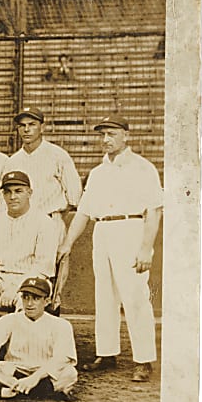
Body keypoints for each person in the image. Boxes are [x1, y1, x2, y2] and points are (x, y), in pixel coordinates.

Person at [57, 115, 163, 382]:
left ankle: (144, 360)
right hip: (102, 231)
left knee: (136, 297)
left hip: (131, 229)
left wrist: (146, 249)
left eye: (112, 133)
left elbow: (154, 210)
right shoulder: (97, 173)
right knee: (104, 295)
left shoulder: (143, 168)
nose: (106, 139)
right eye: (103, 134)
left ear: (126, 135)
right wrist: (68, 243)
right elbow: (83, 212)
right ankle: (106, 353)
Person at [0, 276, 78, 401]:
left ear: (46, 301)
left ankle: (6, 393)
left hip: (44, 372)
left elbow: (62, 358)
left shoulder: (61, 324)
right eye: (25, 297)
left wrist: (34, 378)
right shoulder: (9, 320)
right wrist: (2, 377)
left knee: (69, 373)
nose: (29, 304)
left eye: (36, 298)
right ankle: (37, 392)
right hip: (15, 370)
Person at [0, 171, 58, 316]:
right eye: (7, 192)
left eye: (18, 191)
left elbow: (42, 267)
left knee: (27, 303)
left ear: (29, 192)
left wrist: (16, 288)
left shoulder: (44, 223)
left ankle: (20, 339)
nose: (12, 197)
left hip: (33, 281)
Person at [6, 106, 83, 250]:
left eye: (32, 124)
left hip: (51, 221)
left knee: (52, 270)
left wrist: (56, 215)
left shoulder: (58, 155)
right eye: (22, 126)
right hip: (21, 224)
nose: (26, 129)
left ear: (42, 127)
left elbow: (75, 196)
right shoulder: (12, 161)